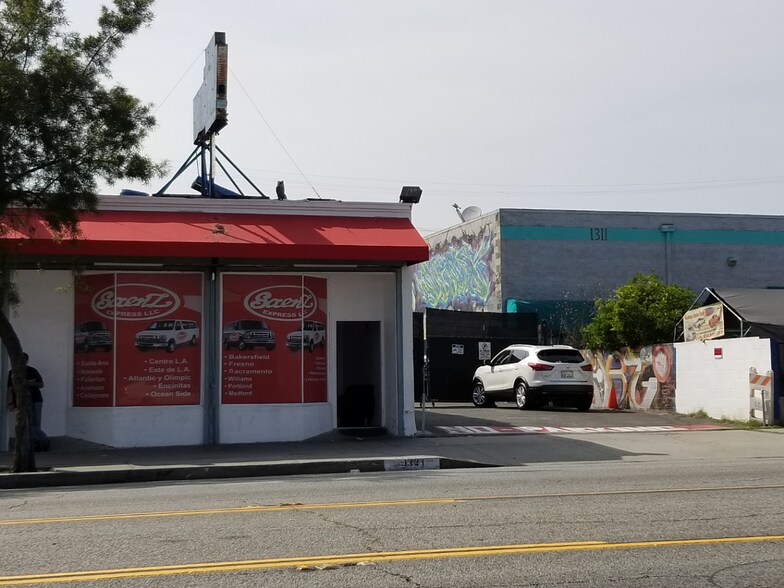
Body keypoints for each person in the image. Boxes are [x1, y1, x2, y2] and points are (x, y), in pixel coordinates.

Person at [7, 353, 49, 451]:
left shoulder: (32, 371)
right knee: (26, 423)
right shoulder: (12, 373)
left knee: (36, 424)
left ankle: (38, 444)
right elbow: (9, 389)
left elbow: (41, 384)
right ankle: (43, 441)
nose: (22, 363)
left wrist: (32, 383)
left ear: (27, 361)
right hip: (21, 402)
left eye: (24, 360)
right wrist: (11, 403)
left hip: (36, 400)